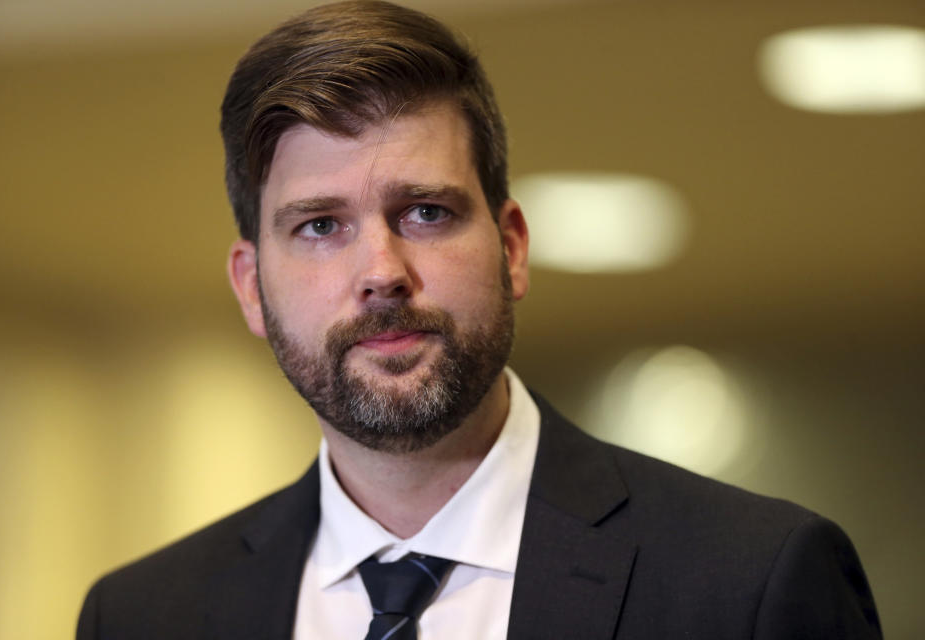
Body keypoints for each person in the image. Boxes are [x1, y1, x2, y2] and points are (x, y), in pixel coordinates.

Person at [76, 1, 882, 638]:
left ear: (512, 248)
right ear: (251, 286)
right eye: (320, 226)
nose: (382, 273)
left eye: (425, 212)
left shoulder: (749, 583)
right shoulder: (144, 616)